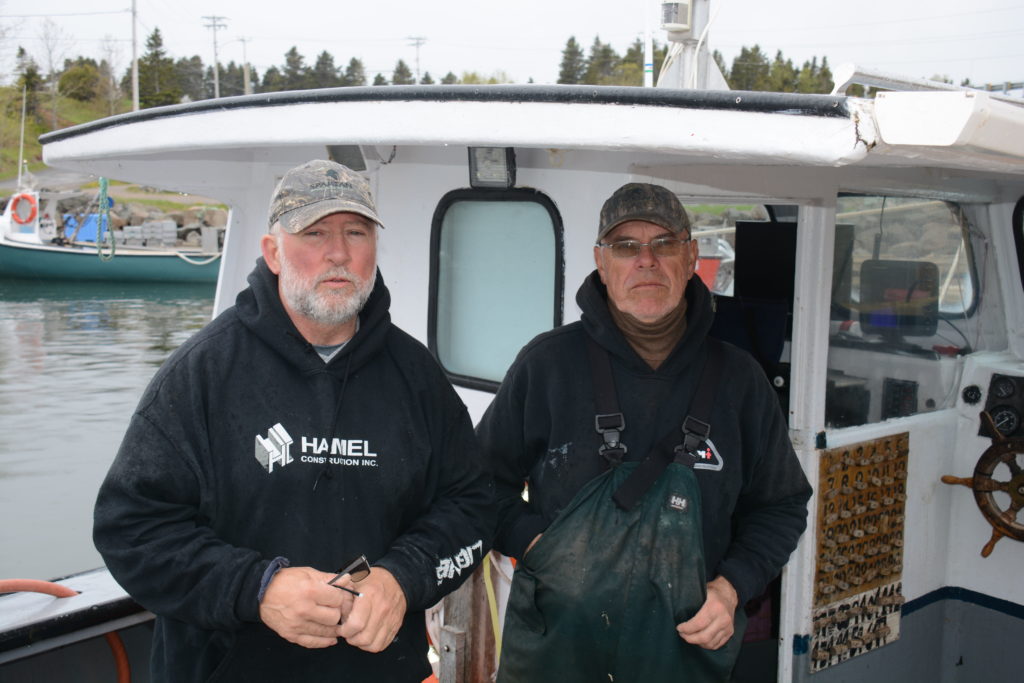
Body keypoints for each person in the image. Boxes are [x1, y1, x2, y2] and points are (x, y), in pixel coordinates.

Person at [93, 159, 494, 683]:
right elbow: (131, 529)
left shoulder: (418, 378)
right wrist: (256, 589)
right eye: (314, 232)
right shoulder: (201, 375)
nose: (339, 252)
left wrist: (402, 578)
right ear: (272, 253)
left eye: (357, 231)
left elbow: (473, 506)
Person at [477, 182, 812, 682]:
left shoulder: (741, 380)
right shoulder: (546, 365)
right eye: (626, 246)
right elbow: (477, 484)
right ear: (601, 261)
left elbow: (781, 506)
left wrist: (732, 588)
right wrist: (535, 542)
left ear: (692, 255)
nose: (646, 260)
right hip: (556, 647)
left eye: (665, 243)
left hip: (682, 652)